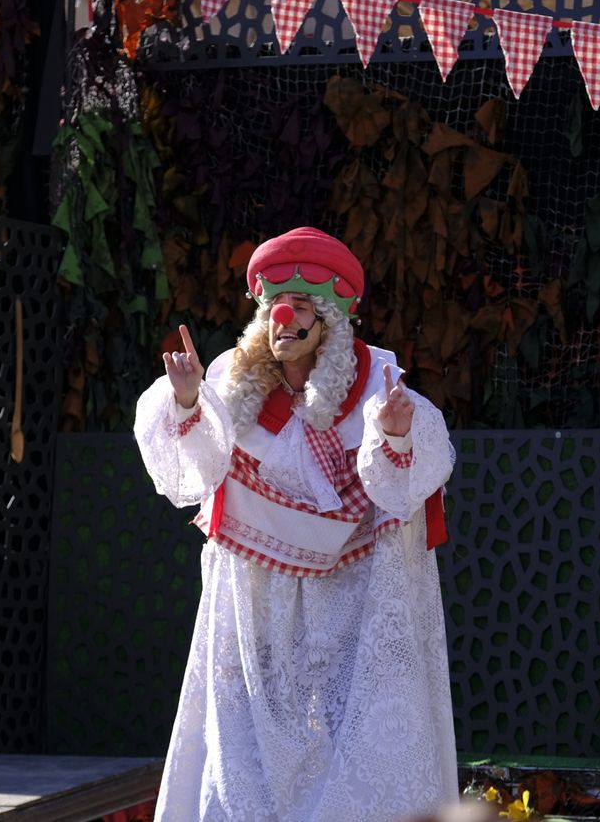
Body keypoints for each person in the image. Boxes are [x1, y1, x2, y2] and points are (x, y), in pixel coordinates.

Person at [134, 227, 458, 821]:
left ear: (330, 319)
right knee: (246, 747)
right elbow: (196, 471)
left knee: (349, 736)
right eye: (276, 307)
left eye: (303, 307)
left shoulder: (375, 382)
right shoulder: (232, 382)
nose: (284, 319)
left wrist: (394, 432)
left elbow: (411, 475)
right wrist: (185, 400)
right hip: (260, 601)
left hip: (351, 603)